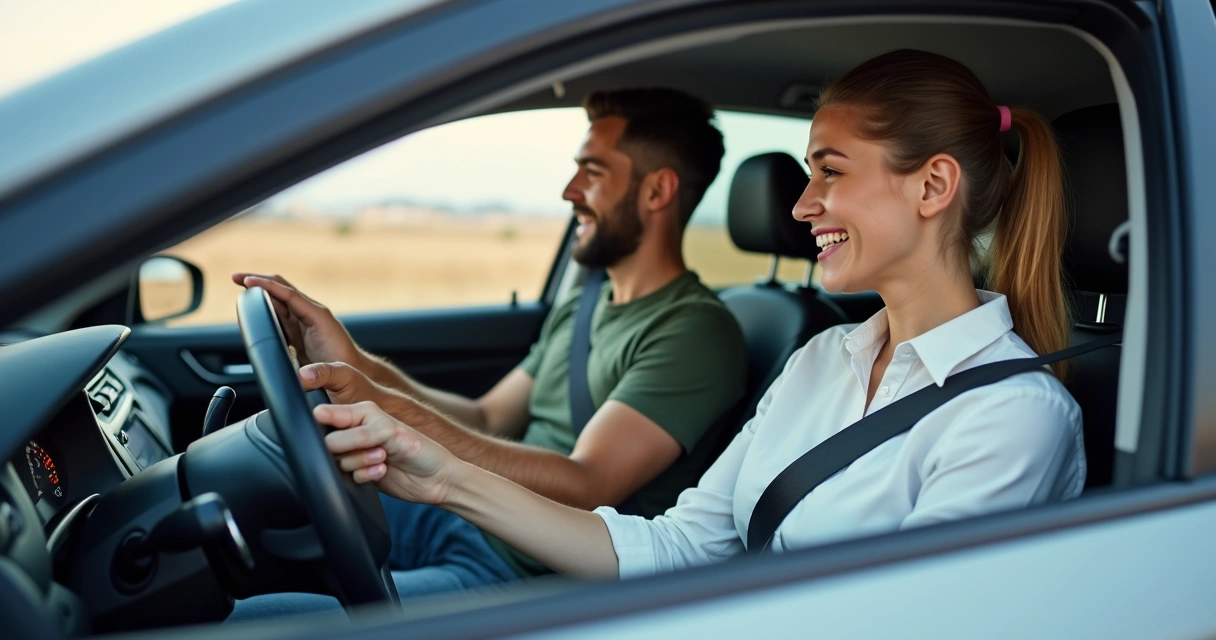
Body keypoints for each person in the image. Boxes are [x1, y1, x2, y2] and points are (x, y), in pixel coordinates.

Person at [313, 49, 1086, 581]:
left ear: (932, 186)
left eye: (831, 171)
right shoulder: (823, 360)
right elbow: (680, 545)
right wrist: (443, 478)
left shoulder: (1011, 416)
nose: (802, 203)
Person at [228, 88, 746, 616]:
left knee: (244, 624)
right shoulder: (585, 305)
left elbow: (587, 484)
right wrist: (356, 364)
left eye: (592, 172)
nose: (569, 191)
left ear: (657, 190)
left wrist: (390, 409)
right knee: (251, 505)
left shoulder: (694, 332)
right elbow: (487, 416)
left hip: (524, 570)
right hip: (458, 512)